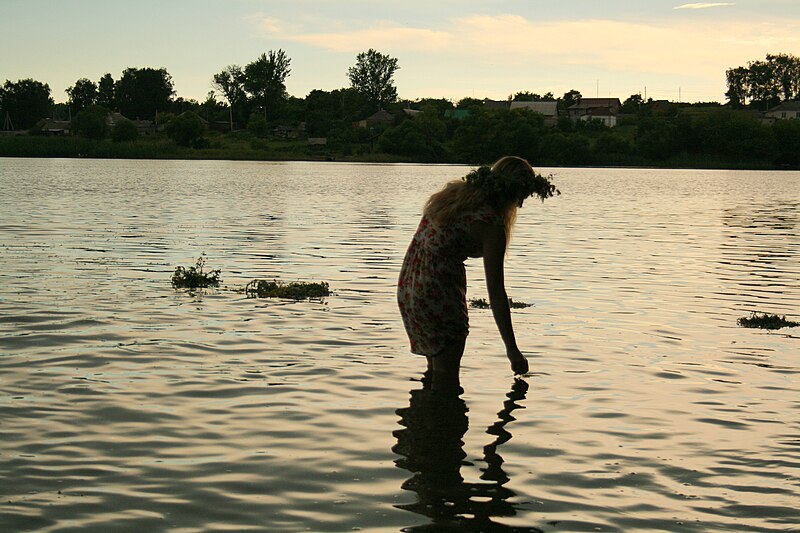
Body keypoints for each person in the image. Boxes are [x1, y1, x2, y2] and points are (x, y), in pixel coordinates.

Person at [397, 156, 557, 388]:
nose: (520, 204)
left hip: (410, 286)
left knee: (434, 373)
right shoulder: (490, 225)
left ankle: (425, 418)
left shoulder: (455, 196)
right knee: (447, 382)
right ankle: (444, 418)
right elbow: (496, 291)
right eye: (521, 196)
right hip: (438, 293)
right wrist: (512, 350)